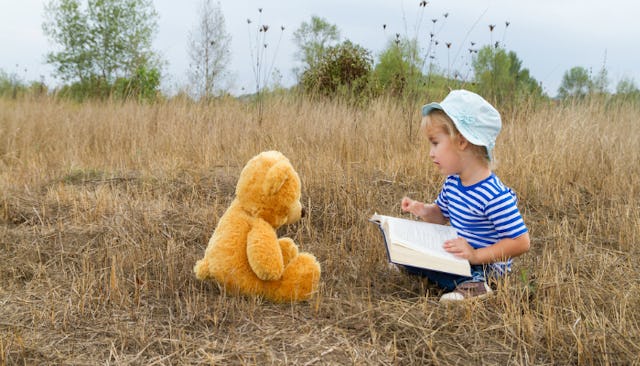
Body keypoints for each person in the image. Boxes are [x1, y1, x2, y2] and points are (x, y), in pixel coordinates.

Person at [401, 89, 530, 302]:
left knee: (458, 267)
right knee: (415, 256)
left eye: (435, 143)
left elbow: (521, 242)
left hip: (487, 266)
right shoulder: (453, 181)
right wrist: (422, 209)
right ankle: (436, 270)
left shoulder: (493, 195)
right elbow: (441, 215)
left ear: (461, 142)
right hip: (462, 256)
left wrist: (476, 255)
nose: (431, 153)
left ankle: (476, 286)